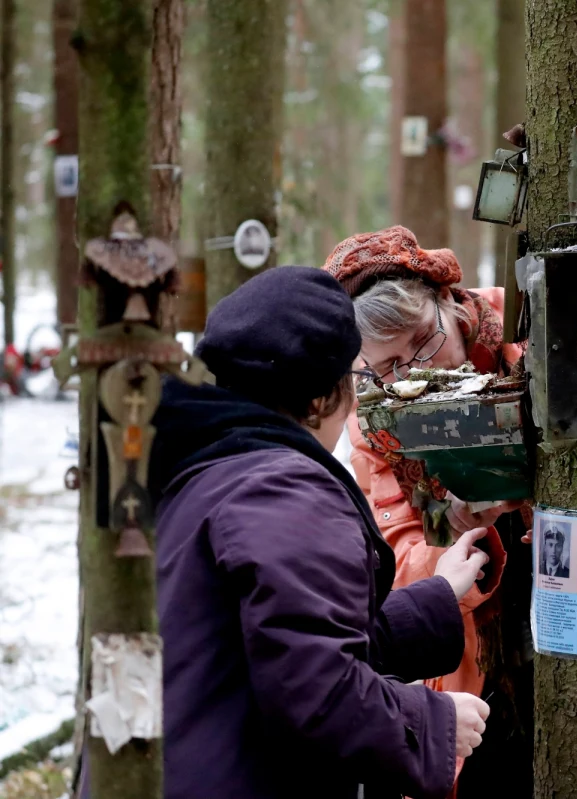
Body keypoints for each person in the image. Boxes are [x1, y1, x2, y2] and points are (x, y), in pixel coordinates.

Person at [323, 225, 577, 798]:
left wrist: (545, 488)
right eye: (387, 365)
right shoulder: (373, 414)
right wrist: (461, 535)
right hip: (488, 648)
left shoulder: (537, 327)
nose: (410, 372)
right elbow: (398, 555)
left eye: (423, 341)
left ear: (447, 297)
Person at [81, 267, 492, 799]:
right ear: (322, 400)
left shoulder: (209, 472)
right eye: (354, 379)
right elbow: (316, 691)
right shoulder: (283, 490)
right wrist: (434, 723)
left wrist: (435, 598)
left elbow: (283, 640)